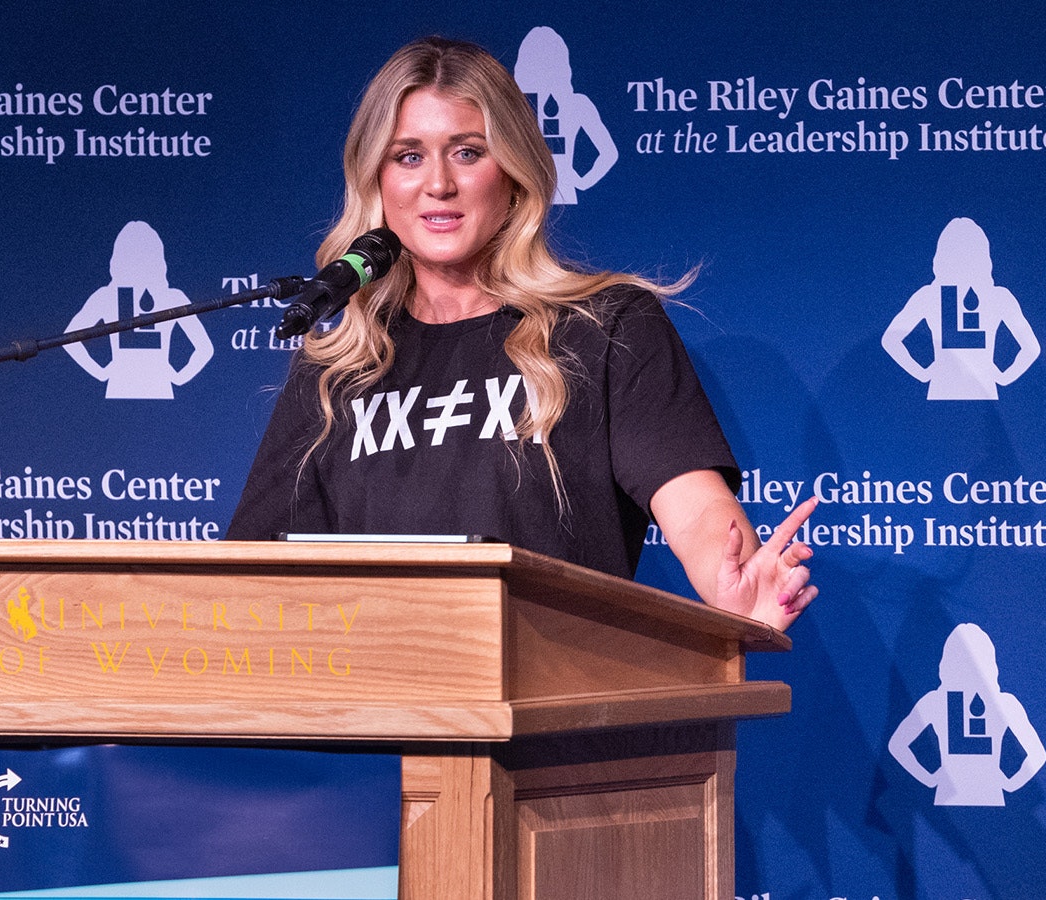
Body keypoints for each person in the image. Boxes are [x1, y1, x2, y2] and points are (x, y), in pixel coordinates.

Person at [227, 37, 816, 631]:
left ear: (513, 171)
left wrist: (730, 582)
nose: (438, 184)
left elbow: (693, 509)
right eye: (408, 156)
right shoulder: (340, 366)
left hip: (551, 702)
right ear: (376, 179)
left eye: (467, 152)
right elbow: (250, 571)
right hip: (379, 706)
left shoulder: (605, 327)